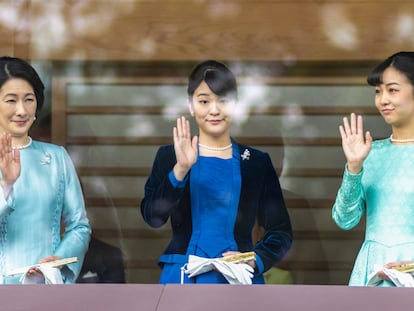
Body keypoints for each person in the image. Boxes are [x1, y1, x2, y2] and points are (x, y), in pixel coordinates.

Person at [140, 60, 292, 284]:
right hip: (182, 276)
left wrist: (254, 259)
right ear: (191, 105)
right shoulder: (170, 156)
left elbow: (281, 232)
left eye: (223, 100)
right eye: (204, 101)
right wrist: (181, 169)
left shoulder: (256, 162)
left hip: (237, 280)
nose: (214, 110)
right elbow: (153, 217)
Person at [0, 56, 91, 284]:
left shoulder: (56, 157)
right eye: (11, 100)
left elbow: (79, 225)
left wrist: (54, 264)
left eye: (29, 100)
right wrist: (6, 185)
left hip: (44, 286)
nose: (22, 110)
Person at [332, 51, 414, 286]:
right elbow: (344, 220)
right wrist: (354, 166)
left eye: (392, 90)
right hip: (371, 270)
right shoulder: (370, 152)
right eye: (378, 92)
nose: (383, 99)